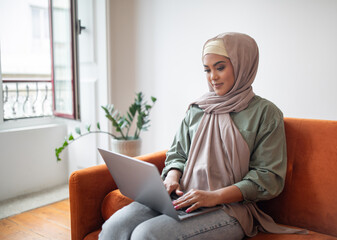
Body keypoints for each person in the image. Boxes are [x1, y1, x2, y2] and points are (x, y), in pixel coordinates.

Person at [99, 32, 305, 240]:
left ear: (243, 64)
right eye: (207, 70)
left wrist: (213, 196)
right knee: (113, 227)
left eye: (220, 67)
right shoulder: (198, 109)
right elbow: (177, 154)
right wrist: (172, 177)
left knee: (147, 235)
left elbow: (268, 178)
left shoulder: (265, 113)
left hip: (229, 208)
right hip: (181, 197)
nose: (212, 77)